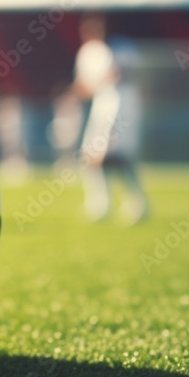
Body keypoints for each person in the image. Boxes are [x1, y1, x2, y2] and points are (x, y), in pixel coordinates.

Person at [72, 13, 148, 224]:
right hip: (101, 107)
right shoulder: (87, 53)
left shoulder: (119, 48)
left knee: (116, 157)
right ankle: (102, 204)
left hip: (120, 106)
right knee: (92, 156)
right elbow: (83, 86)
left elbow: (118, 77)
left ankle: (134, 203)